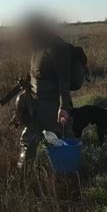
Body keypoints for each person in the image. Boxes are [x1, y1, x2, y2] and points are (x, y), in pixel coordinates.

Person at [16, 14, 74, 169]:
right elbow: (36, 73)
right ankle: (24, 180)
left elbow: (64, 80)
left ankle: (70, 181)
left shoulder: (57, 48)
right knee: (27, 143)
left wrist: (63, 108)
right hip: (35, 106)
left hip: (52, 108)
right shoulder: (38, 47)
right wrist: (26, 84)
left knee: (62, 145)